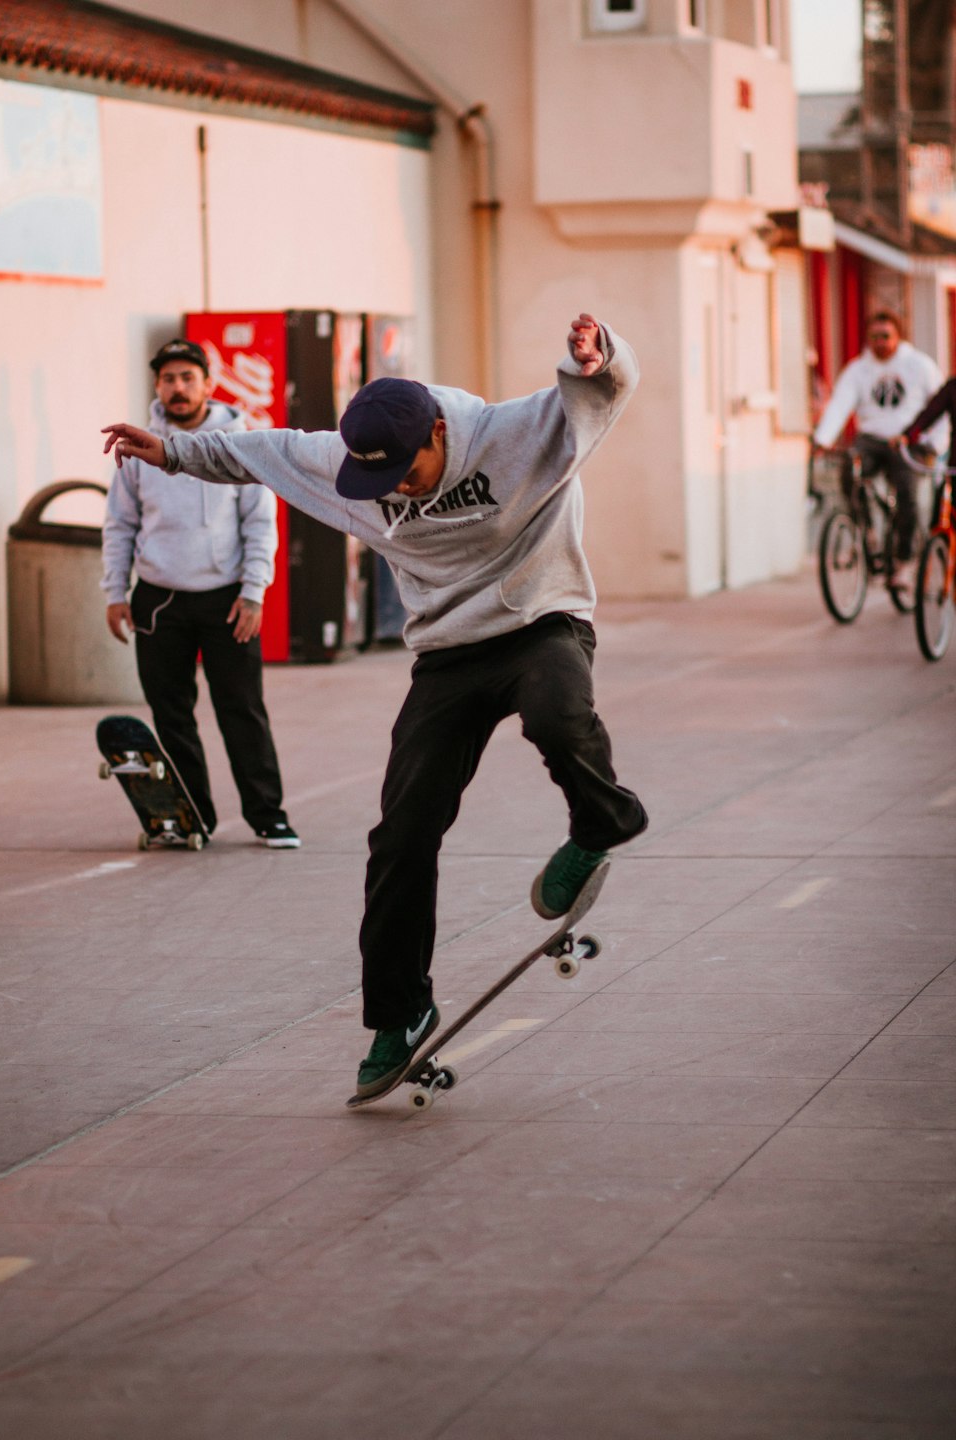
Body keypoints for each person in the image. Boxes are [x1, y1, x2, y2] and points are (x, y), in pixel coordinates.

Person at [102, 314, 647, 1096]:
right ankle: (400, 1014)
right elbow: (259, 450)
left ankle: (601, 822)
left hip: (539, 619)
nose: (391, 487)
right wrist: (176, 452)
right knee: (400, 835)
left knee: (557, 713)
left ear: (436, 431)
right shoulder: (341, 461)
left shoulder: (512, 431)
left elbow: (603, 391)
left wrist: (597, 355)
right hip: (446, 654)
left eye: (404, 470)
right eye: (375, 477)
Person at [101, 337, 298, 848]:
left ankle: (268, 814)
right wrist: (115, 591)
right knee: (170, 713)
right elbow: (119, 525)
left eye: (188, 377)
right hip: (159, 598)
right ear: (158, 387)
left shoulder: (238, 442)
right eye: (168, 378)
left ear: (208, 385)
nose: (178, 387)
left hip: (226, 599)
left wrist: (254, 591)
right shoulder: (139, 448)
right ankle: (193, 816)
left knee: (242, 708)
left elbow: (261, 523)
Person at [812, 309, 948, 594]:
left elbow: (939, 408)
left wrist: (936, 445)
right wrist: (822, 439)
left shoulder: (919, 365)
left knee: (907, 494)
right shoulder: (858, 369)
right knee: (850, 466)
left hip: (908, 441)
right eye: (874, 337)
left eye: (886, 336)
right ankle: (864, 532)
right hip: (871, 439)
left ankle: (905, 562)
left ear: (898, 336)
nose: (880, 342)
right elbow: (840, 404)